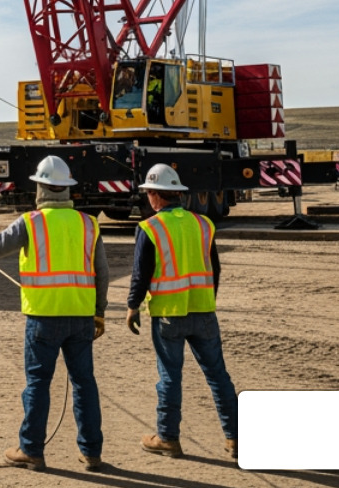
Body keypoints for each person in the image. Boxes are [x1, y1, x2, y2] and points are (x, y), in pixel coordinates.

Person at [0, 155, 107, 471]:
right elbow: (101, 272)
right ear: (66, 188)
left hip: (43, 318)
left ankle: (31, 450)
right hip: (81, 317)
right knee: (84, 384)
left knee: (37, 383)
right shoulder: (89, 224)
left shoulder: (31, 222)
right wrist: (99, 312)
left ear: (41, 188)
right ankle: (92, 453)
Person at [125, 164, 238, 462]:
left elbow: (141, 274)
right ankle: (236, 439)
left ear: (155, 195)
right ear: (177, 193)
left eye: (148, 193)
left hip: (168, 315)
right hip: (204, 311)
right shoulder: (203, 224)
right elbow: (215, 269)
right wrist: (207, 300)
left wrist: (133, 307)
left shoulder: (150, 228)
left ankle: (168, 438)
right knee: (218, 376)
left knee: (169, 378)